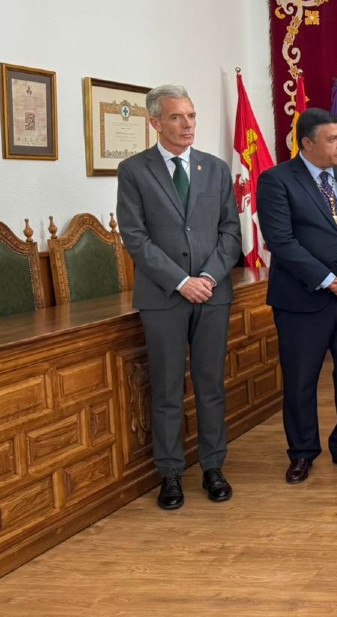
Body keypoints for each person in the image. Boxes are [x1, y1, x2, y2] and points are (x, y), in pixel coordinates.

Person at [116, 84, 241, 510]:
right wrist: (180, 280)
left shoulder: (216, 169)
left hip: (212, 294)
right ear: (155, 122)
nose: (187, 125)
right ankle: (170, 474)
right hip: (163, 298)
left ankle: (212, 467)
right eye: (176, 117)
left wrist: (205, 276)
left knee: (210, 387)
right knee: (167, 390)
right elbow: (135, 237)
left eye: (191, 116)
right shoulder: (134, 171)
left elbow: (230, 232)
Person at [257, 107, 337, 484]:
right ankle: (302, 452)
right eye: (333, 139)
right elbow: (281, 240)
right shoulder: (276, 180)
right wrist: (330, 279)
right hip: (302, 299)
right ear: (307, 144)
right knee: (300, 379)